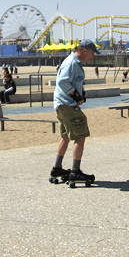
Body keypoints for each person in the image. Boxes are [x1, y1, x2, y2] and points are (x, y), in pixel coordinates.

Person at [50, 38, 99, 185]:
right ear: (84, 50)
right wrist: (75, 95)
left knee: (65, 136)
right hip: (67, 105)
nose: (93, 56)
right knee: (81, 135)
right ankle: (75, 171)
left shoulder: (74, 62)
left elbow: (71, 82)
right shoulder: (72, 63)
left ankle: (57, 168)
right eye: (92, 53)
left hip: (62, 104)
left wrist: (80, 93)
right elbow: (62, 82)